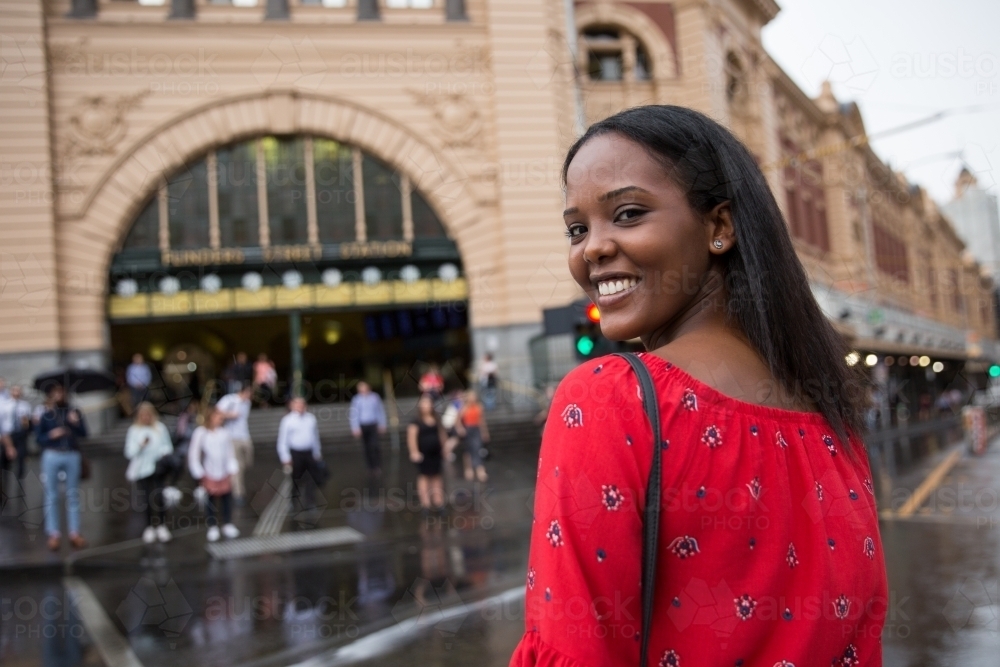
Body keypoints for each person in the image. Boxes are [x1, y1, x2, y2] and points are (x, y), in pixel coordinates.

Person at [510, 106, 886, 666]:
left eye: (629, 213)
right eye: (577, 228)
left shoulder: (611, 399)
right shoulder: (833, 422)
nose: (592, 248)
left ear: (719, 227)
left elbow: (575, 648)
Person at [35, 385, 88, 551]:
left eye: (62, 391)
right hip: (52, 454)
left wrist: (76, 423)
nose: (59, 395)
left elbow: (85, 433)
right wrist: (51, 435)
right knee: (52, 494)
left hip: (71, 454)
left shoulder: (73, 412)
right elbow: (38, 438)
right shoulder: (46, 414)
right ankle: (54, 534)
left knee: (72, 494)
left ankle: (74, 532)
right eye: (56, 392)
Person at [123, 402, 174, 543]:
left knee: (159, 497)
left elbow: (168, 447)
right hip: (142, 470)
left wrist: (161, 453)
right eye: (143, 415)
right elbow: (129, 452)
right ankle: (149, 526)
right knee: (146, 499)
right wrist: (141, 445)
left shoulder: (160, 428)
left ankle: (162, 525)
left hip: (158, 468)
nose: (145, 417)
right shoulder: (134, 430)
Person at [188, 406, 240, 542]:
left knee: (226, 498)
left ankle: (227, 523)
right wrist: (199, 472)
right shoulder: (201, 433)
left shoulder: (224, 432)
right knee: (210, 499)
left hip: (223, 471)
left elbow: (230, 452)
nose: (220, 419)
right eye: (217, 416)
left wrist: (231, 468)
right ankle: (212, 525)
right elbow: (194, 454)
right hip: (209, 471)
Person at [277, 397, 323, 511]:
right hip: (296, 453)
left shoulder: (311, 419)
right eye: (297, 404)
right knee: (296, 478)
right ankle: (293, 502)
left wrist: (317, 452)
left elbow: (315, 437)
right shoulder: (287, 420)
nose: (300, 407)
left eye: (302, 404)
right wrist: (285, 456)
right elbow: (282, 440)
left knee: (311, 479)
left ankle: (310, 502)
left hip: (308, 452)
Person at [407, 394, 446, 514]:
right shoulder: (416, 421)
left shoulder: (436, 419)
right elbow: (411, 438)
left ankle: (438, 502)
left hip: (436, 453)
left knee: (436, 477)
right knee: (424, 477)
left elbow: (441, 434)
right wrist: (414, 452)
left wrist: (445, 448)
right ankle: (425, 504)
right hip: (424, 454)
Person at [216, 384, 254, 505]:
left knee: (248, 461)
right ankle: (238, 493)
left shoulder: (247, 403)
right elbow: (217, 413)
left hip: (245, 436)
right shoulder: (229, 400)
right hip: (232, 437)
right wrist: (229, 415)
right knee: (236, 466)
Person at [349, 381, 387, 475]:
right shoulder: (356, 399)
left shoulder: (374, 397)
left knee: (375, 445)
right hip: (363, 424)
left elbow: (380, 411)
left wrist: (382, 423)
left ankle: (377, 465)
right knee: (366, 447)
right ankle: (370, 466)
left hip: (373, 423)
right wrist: (355, 427)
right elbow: (354, 414)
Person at [2, 386, 33, 480]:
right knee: (4, 461)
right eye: (14, 390)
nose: (16, 393)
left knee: (20, 460)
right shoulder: (4, 404)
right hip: (7, 434)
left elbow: (28, 423)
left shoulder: (25, 405)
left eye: (18, 391)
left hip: (19, 434)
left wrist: (25, 422)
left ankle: (19, 483)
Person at [459, 390, 490, 482]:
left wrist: (485, 432)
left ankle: (479, 469)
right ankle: (468, 468)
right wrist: (461, 428)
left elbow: (482, 420)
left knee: (477, 448)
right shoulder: (464, 408)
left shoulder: (479, 407)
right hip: (468, 428)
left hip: (476, 428)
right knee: (468, 449)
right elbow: (458, 420)